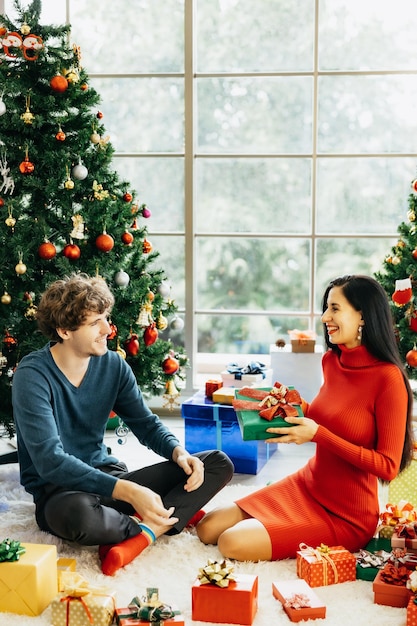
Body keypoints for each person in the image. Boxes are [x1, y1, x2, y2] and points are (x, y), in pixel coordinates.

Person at [12, 273, 234, 575]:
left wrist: (177, 452)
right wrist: (129, 493)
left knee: (216, 463)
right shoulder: (33, 375)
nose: (108, 329)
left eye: (106, 318)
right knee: (78, 516)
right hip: (60, 492)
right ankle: (163, 518)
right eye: (95, 323)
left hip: (108, 479)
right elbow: (50, 461)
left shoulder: (114, 365)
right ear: (64, 330)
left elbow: (145, 423)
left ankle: (142, 531)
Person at [196, 274, 414, 561]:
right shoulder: (332, 362)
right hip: (308, 484)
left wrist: (317, 435)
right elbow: (328, 415)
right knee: (207, 528)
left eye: (335, 308)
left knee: (230, 543)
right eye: (326, 308)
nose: (325, 317)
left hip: (347, 515)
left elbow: (387, 466)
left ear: (362, 316)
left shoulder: (388, 379)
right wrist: (293, 404)